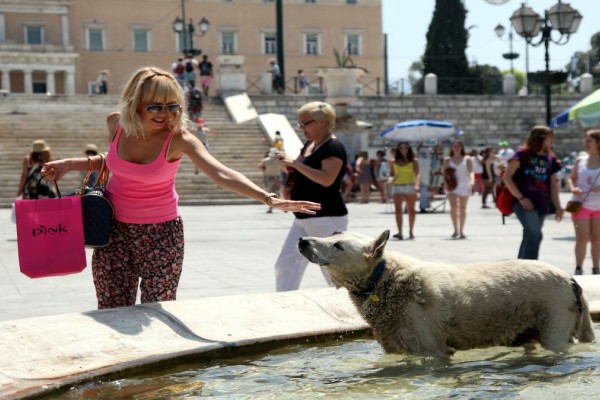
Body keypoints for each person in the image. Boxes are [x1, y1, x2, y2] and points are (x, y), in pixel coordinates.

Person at [41, 66, 320, 309]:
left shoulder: (179, 139)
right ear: (135, 103)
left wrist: (268, 198)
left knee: (157, 308)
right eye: (154, 106)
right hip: (113, 233)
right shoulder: (116, 124)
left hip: (161, 235)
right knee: (112, 308)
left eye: (172, 106)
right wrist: (70, 163)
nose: (164, 114)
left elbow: (220, 172)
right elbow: (115, 161)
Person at [273, 101, 348, 291]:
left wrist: (296, 164)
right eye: (300, 123)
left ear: (322, 122)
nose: (301, 128)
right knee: (286, 264)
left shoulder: (334, 147)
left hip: (327, 216)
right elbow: (299, 169)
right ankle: (284, 305)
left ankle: (348, 308)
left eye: (305, 123)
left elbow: (327, 179)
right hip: (304, 216)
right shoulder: (310, 144)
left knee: (332, 270)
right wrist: (287, 165)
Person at [503, 125, 563, 260]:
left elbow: (554, 185)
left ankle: (519, 270)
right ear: (540, 138)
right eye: (550, 136)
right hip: (524, 202)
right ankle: (531, 271)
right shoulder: (523, 154)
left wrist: (558, 207)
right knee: (536, 235)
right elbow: (507, 178)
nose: (553, 139)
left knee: (529, 235)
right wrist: (522, 198)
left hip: (542, 203)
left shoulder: (550, 159)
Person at [566, 129, 600, 275]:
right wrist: (573, 188)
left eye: (589, 140)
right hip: (581, 205)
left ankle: (595, 268)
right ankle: (578, 268)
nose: (586, 143)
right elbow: (571, 178)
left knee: (597, 240)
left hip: (599, 207)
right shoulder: (580, 160)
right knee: (581, 239)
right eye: (585, 140)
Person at [443, 140, 474, 239]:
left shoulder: (467, 159)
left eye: (458, 146)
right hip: (452, 186)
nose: (456, 148)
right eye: (455, 146)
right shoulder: (448, 160)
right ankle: (455, 230)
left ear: (462, 148)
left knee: (463, 208)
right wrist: (445, 184)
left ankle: (461, 231)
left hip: (464, 185)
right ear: (452, 148)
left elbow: (471, 171)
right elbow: (445, 173)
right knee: (453, 207)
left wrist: (472, 181)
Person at [390, 142, 419, 240]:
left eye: (406, 147)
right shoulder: (393, 161)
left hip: (409, 186)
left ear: (409, 148)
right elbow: (392, 174)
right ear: (398, 149)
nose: (403, 149)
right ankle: (400, 232)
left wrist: (417, 185)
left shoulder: (413, 161)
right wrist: (390, 179)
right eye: (401, 147)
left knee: (411, 210)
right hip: (397, 186)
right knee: (398, 210)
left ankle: (411, 231)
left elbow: (417, 174)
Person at [258, 148, 283, 213]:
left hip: (269, 177)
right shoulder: (280, 160)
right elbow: (283, 168)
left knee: (271, 192)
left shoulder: (265, 160)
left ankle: (271, 207)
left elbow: (260, 167)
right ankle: (282, 206)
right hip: (276, 176)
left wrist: (265, 171)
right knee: (277, 192)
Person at [417, 144, 432, 213]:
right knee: (424, 191)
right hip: (422, 175)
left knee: (424, 191)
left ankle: (424, 205)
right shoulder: (418, 157)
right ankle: (423, 206)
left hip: (425, 175)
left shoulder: (428, 151)